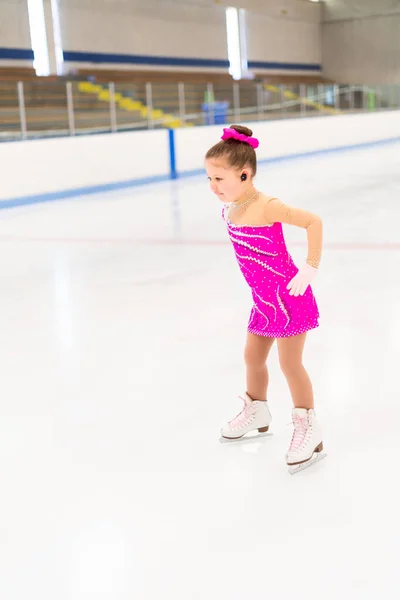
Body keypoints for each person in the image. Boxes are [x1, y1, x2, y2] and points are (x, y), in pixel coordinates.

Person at [205, 124, 324, 470]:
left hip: (290, 297)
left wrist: (310, 268)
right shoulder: (231, 207)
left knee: (289, 363)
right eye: (209, 179)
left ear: (244, 175)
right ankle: (257, 408)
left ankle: (309, 427)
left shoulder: (267, 206)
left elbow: (313, 221)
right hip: (263, 301)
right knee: (252, 357)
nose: (213, 187)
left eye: (219, 179)